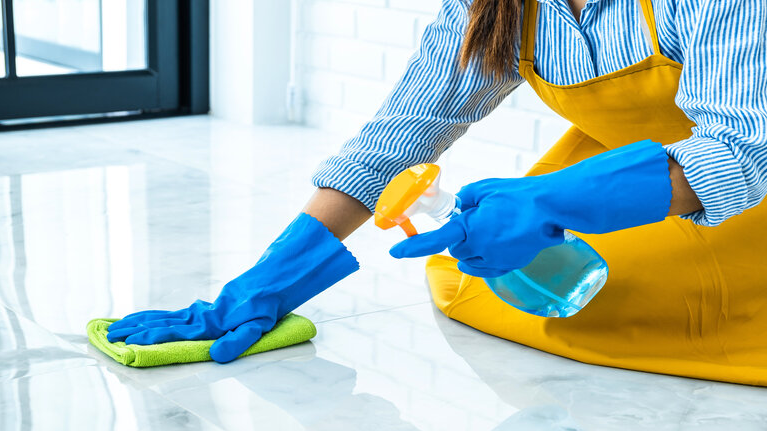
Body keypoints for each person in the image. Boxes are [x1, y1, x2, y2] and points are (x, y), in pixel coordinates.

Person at [107, 0, 767, 385]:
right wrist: (269, 281)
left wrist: (552, 202)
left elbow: (741, 149)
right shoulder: (499, 6)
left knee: (654, 313)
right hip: (623, 174)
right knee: (531, 290)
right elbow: (397, 140)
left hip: (740, 181)